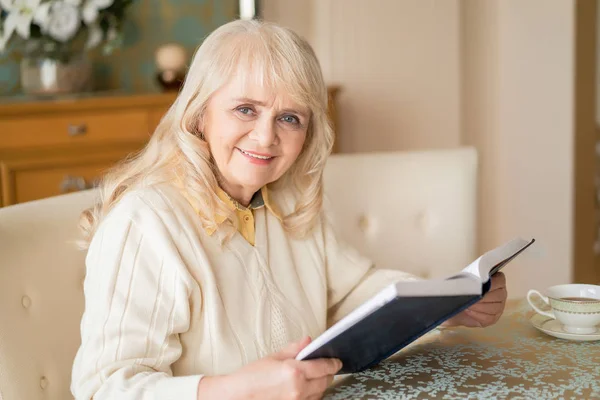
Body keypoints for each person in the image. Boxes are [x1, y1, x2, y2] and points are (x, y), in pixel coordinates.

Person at [70, 19, 508, 400]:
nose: (265, 137)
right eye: (245, 109)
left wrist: (444, 305)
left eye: (289, 118)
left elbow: (352, 290)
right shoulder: (146, 222)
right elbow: (104, 388)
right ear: (200, 114)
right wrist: (234, 391)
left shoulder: (289, 199)